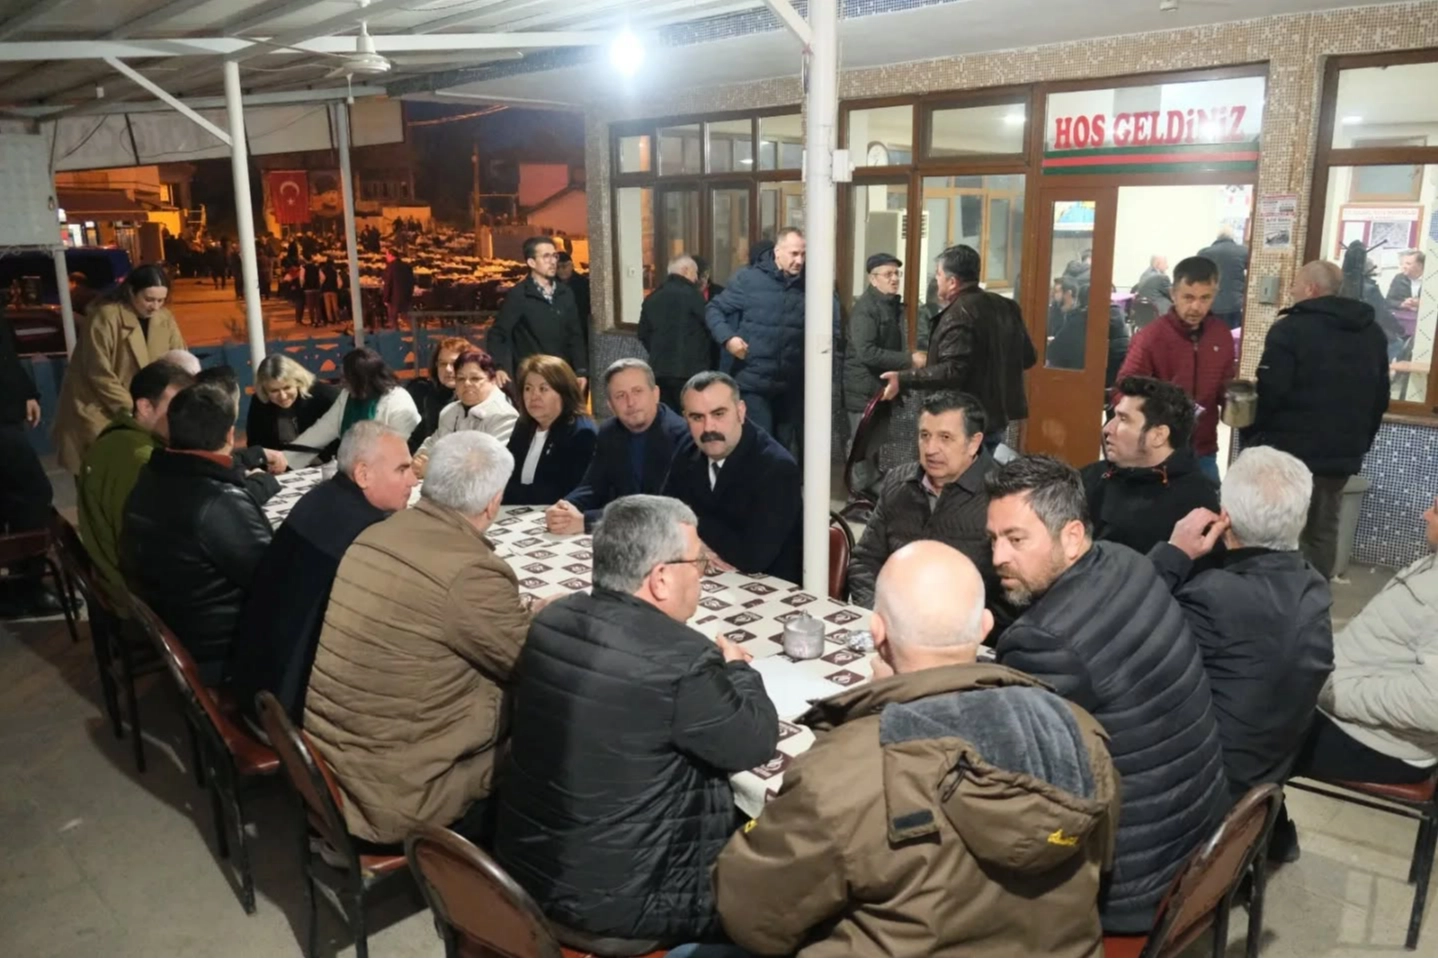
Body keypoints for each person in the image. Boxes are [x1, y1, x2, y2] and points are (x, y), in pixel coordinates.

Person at [712, 541, 1120, 959]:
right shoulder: (1080, 731)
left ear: (877, 633)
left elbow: (749, 917)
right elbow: (1102, 871)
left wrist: (866, 721)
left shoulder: (842, 772)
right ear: (984, 626)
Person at [495, 495, 778, 954]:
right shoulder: (683, 661)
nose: (703, 575)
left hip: (524, 875)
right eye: (698, 563)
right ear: (661, 578)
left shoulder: (552, 621)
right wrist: (739, 670)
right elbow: (755, 741)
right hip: (625, 908)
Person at [987, 454, 1226, 933]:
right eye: (993, 539)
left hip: (1134, 884)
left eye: (1016, 539)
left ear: (1072, 536)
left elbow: (1005, 775)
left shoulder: (1042, 641)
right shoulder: (1124, 560)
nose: (997, 557)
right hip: (1204, 841)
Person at [304, 431, 530, 846]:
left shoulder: (374, 533)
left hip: (325, 765)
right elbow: (533, 665)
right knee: (557, 721)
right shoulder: (471, 574)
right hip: (391, 797)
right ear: (493, 501)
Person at [1150, 447, 1333, 809]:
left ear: (1225, 517)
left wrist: (1173, 552)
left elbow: (1119, 635)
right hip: (1264, 781)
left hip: (1196, 795)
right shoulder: (1313, 587)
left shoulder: (1212, 596)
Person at [231, 422, 417, 727]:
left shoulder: (320, 497)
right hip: (290, 717)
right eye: (402, 469)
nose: (413, 479)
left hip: (253, 686)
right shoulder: (371, 535)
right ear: (363, 474)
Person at [1242, 260, 1390, 580]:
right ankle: (1316, 598)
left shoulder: (1290, 330)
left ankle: (1274, 596)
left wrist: (1252, 435)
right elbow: (1381, 397)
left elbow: (1271, 391)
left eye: (1295, 283)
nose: (1291, 289)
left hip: (1288, 454)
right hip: (1341, 456)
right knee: (1323, 530)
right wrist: (1360, 443)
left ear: (1310, 289)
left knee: (1277, 529)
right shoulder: (1372, 332)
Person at [120, 383, 276, 684]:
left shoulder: (150, 475)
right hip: (220, 650)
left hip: (172, 630)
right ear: (230, 435)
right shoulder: (218, 500)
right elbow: (272, 579)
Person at [848, 392, 997, 611]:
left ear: (973, 443)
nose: (930, 449)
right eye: (925, 435)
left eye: (945, 438)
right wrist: (879, 613)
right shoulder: (898, 482)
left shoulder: (1001, 495)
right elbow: (865, 561)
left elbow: (1008, 593)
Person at [881, 244, 1037, 453]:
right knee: (984, 469)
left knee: (963, 472)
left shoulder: (959, 313)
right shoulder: (1007, 306)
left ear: (952, 282)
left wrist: (903, 378)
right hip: (995, 417)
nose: (936, 280)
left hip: (964, 421)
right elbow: (1028, 357)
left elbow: (952, 371)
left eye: (939, 275)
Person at [662, 371, 801, 581]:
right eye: (697, 417)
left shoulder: (777, 467)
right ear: (685, 418)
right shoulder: (687, 448)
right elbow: (663, 515)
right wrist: (699, 546)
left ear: (740, 411)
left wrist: (690, 528)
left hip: (767, 587)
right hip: (706, 577)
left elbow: (752, 557)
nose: (708, 428)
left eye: (718, 414)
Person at [705, 227, 832, 455]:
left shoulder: (810, 284)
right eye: (794, 254)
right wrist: (729, 339)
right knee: (761, 444)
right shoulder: (749, 279)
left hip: (790, 384)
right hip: (753, 380)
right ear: (777, 252)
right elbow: (714, 309)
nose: (799, 261)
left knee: (783, 448)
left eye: (803, 254)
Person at [77, 360, 194, 601]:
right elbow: (150, 549)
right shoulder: (140, 458)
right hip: (135, 598)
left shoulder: (117, 438)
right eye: (176, 408)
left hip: (116, 581)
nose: (186, 418)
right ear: (145, 406)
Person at [53, 265, 186, 473]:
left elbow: (179, 360)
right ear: (131, 292)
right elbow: (99, 373)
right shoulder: (105, 317)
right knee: (102, 477)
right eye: (149, 299)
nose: (155, 306)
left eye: (161, 300)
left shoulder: (164, 318)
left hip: (144, 413)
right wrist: (135, 409)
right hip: (98, 411)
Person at [1115, 255, 1236, 483]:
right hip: (1159, 452)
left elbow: (1225, 384)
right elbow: (1124, 391)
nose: (1196, 307)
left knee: (1209, 504)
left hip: (1204, 449)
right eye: (1188, 297)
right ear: (1173, 294)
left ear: (1215, 294)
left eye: (1205, 298)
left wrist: (1235, 396)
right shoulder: (1151, 337)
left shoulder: (1221, 335)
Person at [545, 358, 688, 534]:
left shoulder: (681, 436)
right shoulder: (609, 431)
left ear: (656, 394)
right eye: (620, 396)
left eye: (637, 391)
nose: (630, 402)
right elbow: (592, 486)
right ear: (610, 406)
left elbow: (659, 508)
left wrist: (586, 521)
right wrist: (564, 508)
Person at [1082, 376, 1218, 555]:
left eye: (1123, 419)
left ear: (1158, 436)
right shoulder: (1090, 478)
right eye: (1114, 416)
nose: (1107, 428)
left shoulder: (1196, 504)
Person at [0, 302, 64, 617]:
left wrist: (26, 393)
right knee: (34, 494)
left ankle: (21, 584)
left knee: (19, 498)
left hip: (7, 414)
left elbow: (6, 354)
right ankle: (26, 587)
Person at [843, 252, 919, 494]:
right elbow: (867, 352)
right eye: (888, 274)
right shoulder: (865, 310)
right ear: (873, 279)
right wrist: (909, 360)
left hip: (883, 389)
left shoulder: (890, 306)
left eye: (897, 273)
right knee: (861, 448)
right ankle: (858, 496)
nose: (894, 279)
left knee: (875, 446)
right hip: (863, 392)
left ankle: (870, 492)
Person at [284, 348, 421, 469]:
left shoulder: (398, 400)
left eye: (347, 379)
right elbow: (321, 431)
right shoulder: (347, 396)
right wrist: (285, 458)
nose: (342, 384)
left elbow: (397, 448)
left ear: (363, 380)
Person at [488, 237, 588, 391]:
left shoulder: (565, 293)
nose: (553, 261)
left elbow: (575, 335)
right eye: (546, 256)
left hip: (561, 374)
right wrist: (499, 366)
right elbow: (498, 333)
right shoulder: (519, 295)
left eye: (554, 256)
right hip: (533, 376)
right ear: (531, 262)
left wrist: (581, 370)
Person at [502, 354, 597, 506]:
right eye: (528, 388)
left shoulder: (581, 432)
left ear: (564, 393)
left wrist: (505, 492)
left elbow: (561, 492)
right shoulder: (524, 426)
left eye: (543, 389)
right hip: (517, 512)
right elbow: (504, 474)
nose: (534, 396)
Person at [415, 349, 517, 475]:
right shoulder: (450, 412)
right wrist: (419, 461)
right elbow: (431, 445)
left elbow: (488, 467)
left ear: (493, 380)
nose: (467, 383)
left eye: (475, 378)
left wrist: (434, 469)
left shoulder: (504, 416)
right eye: (461, 378)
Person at [638, 255, 712, 412]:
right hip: (690, 370)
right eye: (695, 273)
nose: (696, 278)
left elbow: (643, 333)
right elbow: (709, 327)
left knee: (666, 414)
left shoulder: (652, 298)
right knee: (691, 413)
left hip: (659, 369)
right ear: (685, 270)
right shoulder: (694, 296)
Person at [244, 354, 340, 453]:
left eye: (287, 388)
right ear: (264, 391)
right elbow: (255, 443)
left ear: (298, 382)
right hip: (280, 460)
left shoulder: (325, 396)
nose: (283, 396)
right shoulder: (260, 401)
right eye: (274, 391)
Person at [406, 336, 474, 453]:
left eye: (454, 364)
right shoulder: (431, 396)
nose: (448, 369)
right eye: (442, 364)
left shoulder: (476, 401)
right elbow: (417, 439)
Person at [1198, 225, 1250, 330]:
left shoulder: (1204, 253)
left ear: (1217, 237)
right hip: (1234, 304)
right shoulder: (1243, 251)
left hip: (1211, 304)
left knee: (1210, 335)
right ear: (1232, 237)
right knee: (1232, 336)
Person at [555, 250, 591, 327]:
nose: (561, 270)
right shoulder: (550, 284)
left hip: (579, 325)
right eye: (557, 267)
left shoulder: (583, 283)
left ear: (571, 266)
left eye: (564, 266)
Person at [380, 248, 414, 330]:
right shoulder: (407, 266)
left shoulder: (390, 267)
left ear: (391, 255)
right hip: (406, 296)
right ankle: (415, 332)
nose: (386, 257)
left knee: (393, 318)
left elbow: (388, 284)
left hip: (394, 297)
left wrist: (386, 298)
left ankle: (396, 334)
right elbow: (411, 281)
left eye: (387, 255)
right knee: (407, 317)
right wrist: (410, 294)